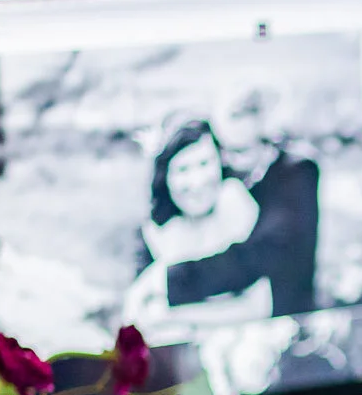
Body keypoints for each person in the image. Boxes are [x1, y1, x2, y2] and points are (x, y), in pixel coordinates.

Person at [127, 119, 319, 327]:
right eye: (183, 170)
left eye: (204, 163)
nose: (197, 181)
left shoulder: (235, 202)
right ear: (165, 175)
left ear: (220, 162)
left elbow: (258, 306)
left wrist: (172, 316)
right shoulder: (156, 227)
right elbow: (138, 312)